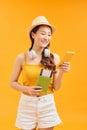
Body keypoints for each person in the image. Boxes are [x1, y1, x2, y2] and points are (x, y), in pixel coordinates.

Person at [10, 16, 70, 130]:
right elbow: (12, 83)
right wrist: (26, 89)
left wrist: (61, 71)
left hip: (47, 104)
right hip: (27, 104)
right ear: (33, 35)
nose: (46, 37)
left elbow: (56, 87)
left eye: (49, 34)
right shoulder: (21, 58)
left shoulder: (54, 58)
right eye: (43, 33)